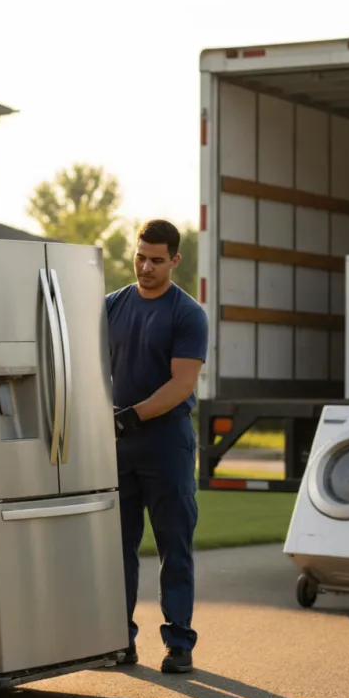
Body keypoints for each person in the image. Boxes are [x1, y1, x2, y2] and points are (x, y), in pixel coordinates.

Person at [106, 219, 209, 673]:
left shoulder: (187, 314)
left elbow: (181, 382)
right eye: (140, 257)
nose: (145, 267)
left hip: (167, 443)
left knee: (174, 545)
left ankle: (179, 642)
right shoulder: (112, 306)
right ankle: (119, 641)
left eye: (156, 260)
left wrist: (132, 416)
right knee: (117, 547)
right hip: (117, 443)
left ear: (175, 260)